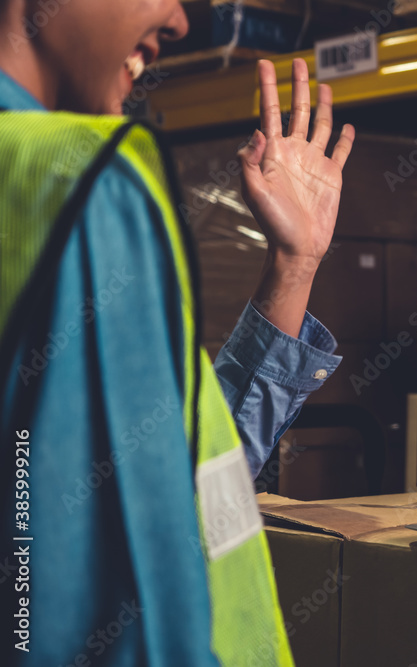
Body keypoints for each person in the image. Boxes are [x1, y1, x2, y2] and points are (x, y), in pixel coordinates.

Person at [1, 1, 355, 664]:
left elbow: (178, 471)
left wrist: (294, 264)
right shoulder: (77, 185)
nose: (181, 21)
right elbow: (135, 567)